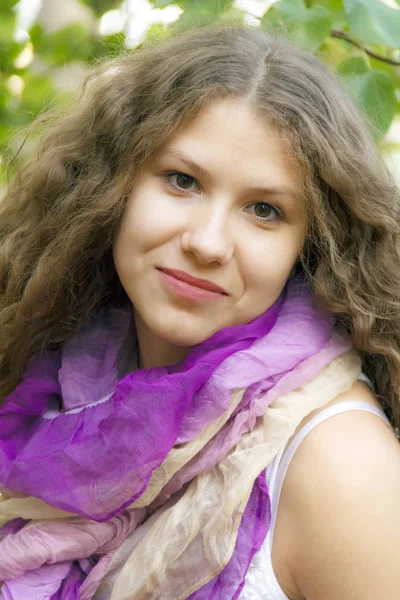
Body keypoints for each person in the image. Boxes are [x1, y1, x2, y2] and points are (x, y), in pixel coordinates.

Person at [0, 24, 399, 600]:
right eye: (182, 181)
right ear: (112, 188)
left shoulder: (343, 467)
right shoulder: (55, 374)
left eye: (264, 210)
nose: (208, 243)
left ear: (311, 246)